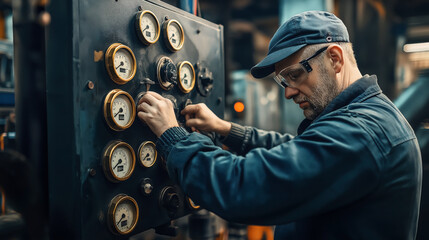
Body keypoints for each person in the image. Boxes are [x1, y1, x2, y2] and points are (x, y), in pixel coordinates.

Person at [137, 11, 422, 239]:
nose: (288, 92)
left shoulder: (364, 132)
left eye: (295, 75)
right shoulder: (362, 117)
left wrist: (173, 137)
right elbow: (300, 152)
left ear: (334, 58)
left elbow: (244, 189)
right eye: (283, 81)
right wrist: (227, 130)